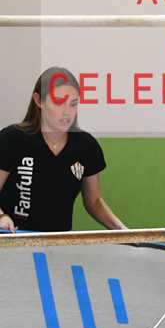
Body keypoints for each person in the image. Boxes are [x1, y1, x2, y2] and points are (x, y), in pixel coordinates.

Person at [0, 66, 126, 233]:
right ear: (39, 100)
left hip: (59, 244)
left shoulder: (86, 146)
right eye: (58, 102)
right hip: (12, 240)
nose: (67, 112)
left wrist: (123, 231)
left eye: (73, 104)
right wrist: (2, 217)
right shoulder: (12, 138)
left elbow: (94, 202)